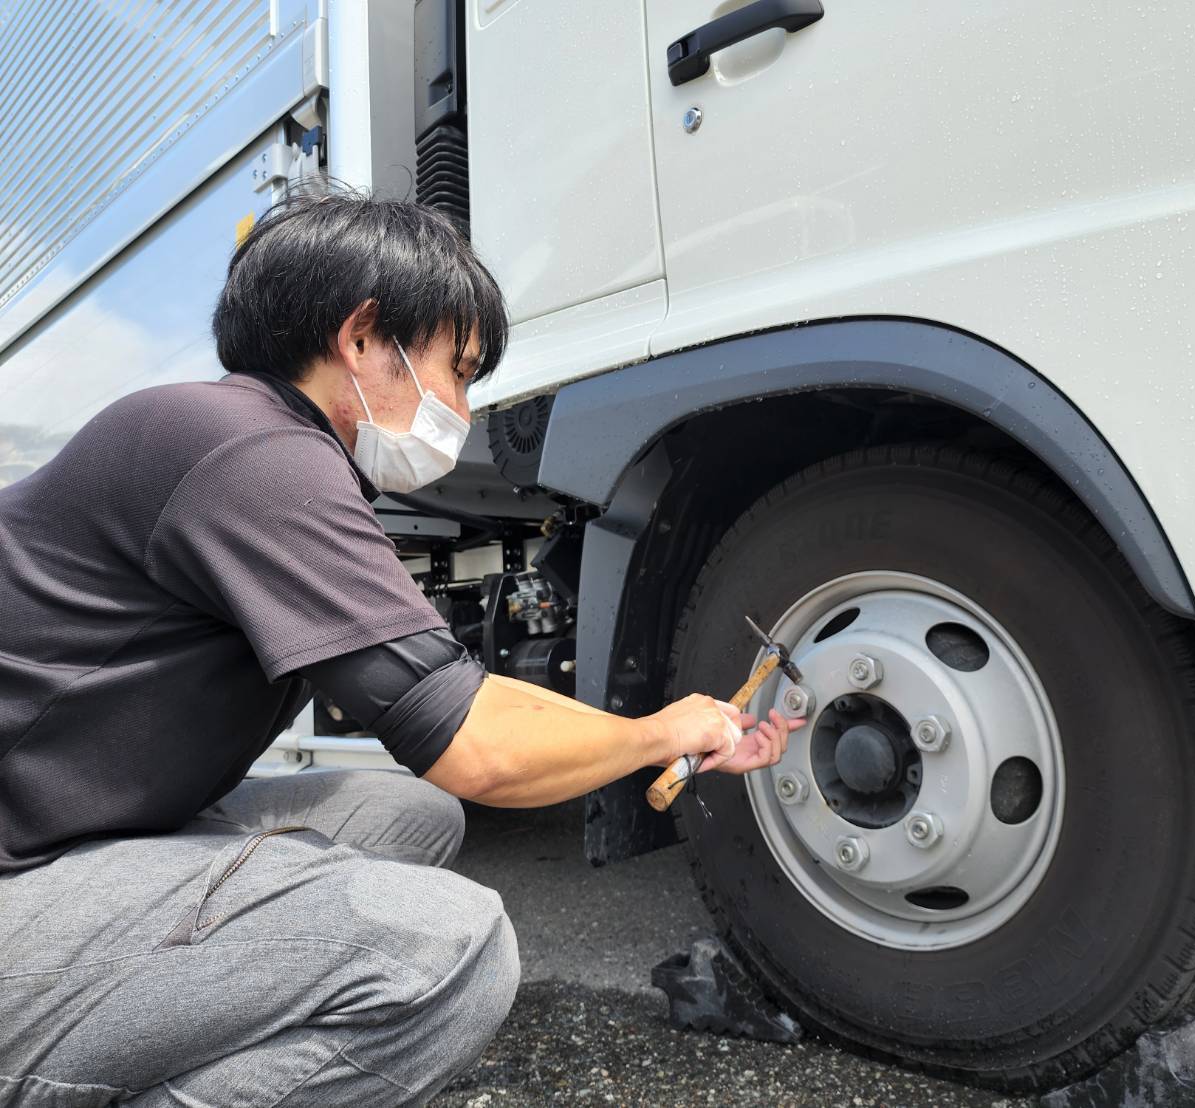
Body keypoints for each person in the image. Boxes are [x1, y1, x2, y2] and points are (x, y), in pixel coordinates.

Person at [0, 193, 798, 1107]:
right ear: (364, 337)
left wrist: (661, 732)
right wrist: (656, 735)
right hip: (21, 871)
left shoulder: (240, 438)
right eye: (454, 369)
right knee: (445, 954)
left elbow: (458, 694)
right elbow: (480, 749)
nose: (462, 405)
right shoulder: (249, 453)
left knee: (409, 816)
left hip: (70, 835)